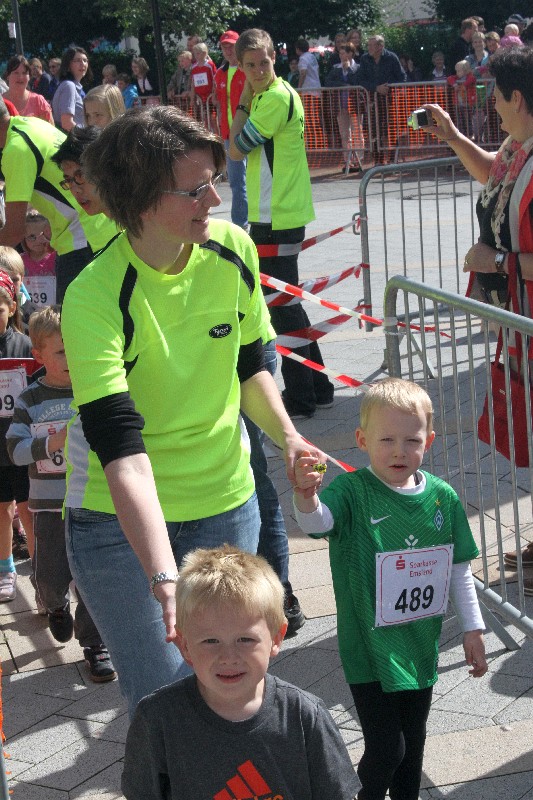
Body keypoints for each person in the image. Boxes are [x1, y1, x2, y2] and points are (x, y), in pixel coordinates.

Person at [61, 105, 319, 716]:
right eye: (196, 188)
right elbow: (121, 452)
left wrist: (288, 438)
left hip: (225, 504)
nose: (215, 199)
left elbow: (251, 366)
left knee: (233, 688)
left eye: (213, 181)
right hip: (118, 523)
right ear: (144, 199)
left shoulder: (232, 250)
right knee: (164, 705)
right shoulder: (94, 295)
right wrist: (162, 577)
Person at [293, 377, 488, 800]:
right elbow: (318, 524)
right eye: (386, 440)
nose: (399, 451)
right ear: (362, 440)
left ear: (429, 441)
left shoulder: (442, 498)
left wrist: (473, 628)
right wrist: (306, 496)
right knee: (387, 748)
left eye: (411, 440)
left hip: (419, 644)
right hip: (368, 648)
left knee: (412, 748)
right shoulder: (352, 491)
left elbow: (457, 567)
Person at [121, 545, 359, 800]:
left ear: (276, 638)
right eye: (211, 641)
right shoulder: (157, 719)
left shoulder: (304, 716)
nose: (228, 657)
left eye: (245, 639)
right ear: (185, 644)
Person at [425, 48, 533, 592]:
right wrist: (450, 135)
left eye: (496, 95)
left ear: (518, 98)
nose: (492, 104)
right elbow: (494, 171)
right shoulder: (519, 149)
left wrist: (498, 261)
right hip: (519, 318)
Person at [6, 306, 116, 681]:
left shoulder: (93, 390)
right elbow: (15, 451)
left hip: (92, 502)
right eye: (61, 352)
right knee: (51, 576)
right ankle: (54, 605)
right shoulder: (30, 400)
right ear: (39, 355)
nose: (71, 358)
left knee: (93, 579)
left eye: (76, 348)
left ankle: (95, 646)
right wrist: (53, 441)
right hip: (49, 507)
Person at [230, 28, 335, 419]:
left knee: (281, 308)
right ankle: (318, 388)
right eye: (250, 65)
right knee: (286, 304)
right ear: (241, 67)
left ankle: (303, 396)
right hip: (277, 214)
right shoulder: (274, 93)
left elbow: (235, 148)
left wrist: (242, 101)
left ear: (275, 58)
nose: (259, 70)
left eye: (264, 62)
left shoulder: (273, 98)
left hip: (276, 216)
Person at [0, 102, 117, 302]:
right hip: (99, 231)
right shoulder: (31, 125)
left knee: (75, 319)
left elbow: (15, 231)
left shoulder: (16, 150)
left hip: (84, 240)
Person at [0, 270, 34, 602]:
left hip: (22, 444)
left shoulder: (25, 346)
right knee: (2, 509)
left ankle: (39, 568)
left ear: (11, 308)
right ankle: (5, 567)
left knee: (28, 507)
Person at [213, 30, 248, 230]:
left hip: (249, 131)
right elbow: (219, 102)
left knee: (253, 179)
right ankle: (240, 224)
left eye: (231, 46)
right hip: (229, 134)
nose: (228, 50)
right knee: (236, 182)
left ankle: (256, 219)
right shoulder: (220, 73)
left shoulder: (247, 70)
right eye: (224, 46)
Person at [356, 34, 406, 165]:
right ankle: (378, 160)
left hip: (390, 101)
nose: (368, 48)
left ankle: (392, 159)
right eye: (368, 45)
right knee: (373, 130)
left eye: (371, 45)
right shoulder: (365, 59)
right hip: (371, 101)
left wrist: (388, 86)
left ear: (380, 46)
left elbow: (402, 77)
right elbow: (360, 80)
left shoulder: (391, 57)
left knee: (391, 129)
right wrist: (376, 88)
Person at [325, 42, 362, 173]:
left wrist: (349, 70)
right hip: (341, 106)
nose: (341, 56)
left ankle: (358, 160)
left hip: (355, 106)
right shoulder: (336, 68)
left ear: (351, 53)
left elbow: (357, 81)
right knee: (345, 134)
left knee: (357, 132)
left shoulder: (358, 68)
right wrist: (344, 85)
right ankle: (348, 160)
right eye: (340, 53)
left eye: (344, 53)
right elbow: (328, 82)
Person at [3, 55, 54, 124]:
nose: (20, 77)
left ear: (29, 77)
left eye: (24, 73)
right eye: (16, 73)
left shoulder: (38, 102)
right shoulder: (1, 102)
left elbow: (51, 129)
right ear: (8, 76)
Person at [21, 211, 56, 309]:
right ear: (24, 238)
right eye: (32, 237)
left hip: (51, 311)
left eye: (43, 235)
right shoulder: (19, 261)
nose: (38, 240)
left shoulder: (56, 258)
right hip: (26, 312)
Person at [52, 46, 92, 131]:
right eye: (77, 60)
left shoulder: (76, 88)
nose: (82, 64)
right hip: (72, 138)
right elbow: (67, 123)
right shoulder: (69, 86)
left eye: (85, 60)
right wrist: (87, 135)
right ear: (68, 65)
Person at [190, 42, 216, 112]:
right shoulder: (194, 67)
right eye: (195, 54)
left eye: (198, 53)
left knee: (211, 115)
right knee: (201, 115)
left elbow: (215, 80)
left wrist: (214, 95)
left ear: (204, 53)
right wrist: (192, 98)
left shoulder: (210, 65)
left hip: (210, 97)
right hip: (199, 98)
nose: (196, 56)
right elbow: (193, 84)